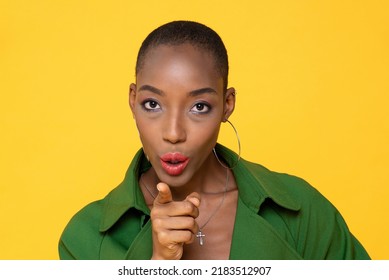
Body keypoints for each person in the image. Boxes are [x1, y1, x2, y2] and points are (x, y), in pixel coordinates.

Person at [59, 20, 370, 260]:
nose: (173, 133)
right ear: (132, 99)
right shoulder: (85, 238)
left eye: (199, 107)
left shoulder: (303, 212)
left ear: (227, 104)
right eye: (153, 104)